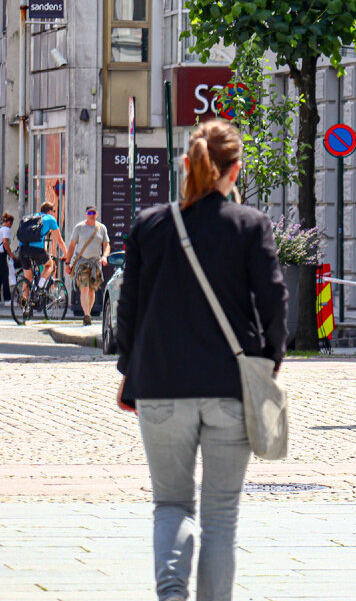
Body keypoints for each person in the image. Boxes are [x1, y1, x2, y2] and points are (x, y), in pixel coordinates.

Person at [116, 119, 288, 601]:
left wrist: (132, 368)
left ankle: (171, 595)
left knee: (170, 503)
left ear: (186, 166)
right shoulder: (248, 225)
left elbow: (127, 310)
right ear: (233, 171)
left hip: (161, 384)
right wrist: (269, 361)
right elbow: (274, 301)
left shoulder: (150, 225)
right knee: (220, 514)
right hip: (231, 386)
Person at [64, 205, 111, 325]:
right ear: (86, 214)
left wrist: (105, 256)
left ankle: (88, 313)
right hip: (82, 262)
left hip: (95, 263)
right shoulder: (79, 228)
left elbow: (106, 245)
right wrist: (68, 263)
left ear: (97, 214)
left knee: (91, 291)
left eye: (94, 213)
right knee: (84, 288)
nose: (92, 215)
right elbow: (72, 246)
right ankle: (86, 315)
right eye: (90, 213)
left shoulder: (102, 228)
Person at [15, 201, 68, 293]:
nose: (53, 213)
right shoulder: (50, 219)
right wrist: (66, 254)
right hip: (37, 250)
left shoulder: (31, 217)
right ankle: (40, 286)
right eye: (54, 211)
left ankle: (25, 303)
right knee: (49, 265)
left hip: (22, 249)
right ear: (50, 211)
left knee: (28, 278)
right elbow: (59, 240)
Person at [0, 212, 14, 303]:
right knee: (5, 276)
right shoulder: (6, 229)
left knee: (1, 276)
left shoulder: (1, 228)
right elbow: (5, 243)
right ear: (10, 222)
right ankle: (7, 298)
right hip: (2, 254)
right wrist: (11, 255)